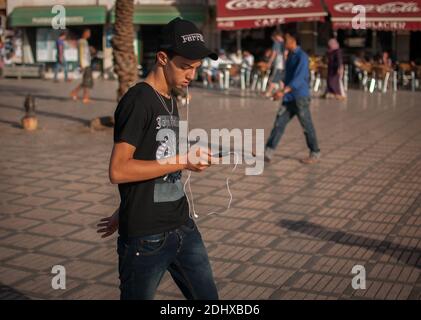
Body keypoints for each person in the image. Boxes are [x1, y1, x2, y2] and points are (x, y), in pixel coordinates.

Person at [97, 17, 219, 300]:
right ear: (163, 58)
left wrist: (121, 209)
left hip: (183, 227)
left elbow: (153, 163)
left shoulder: (170, 99)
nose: (192, 75)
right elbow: (118, 170)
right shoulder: (138, 100)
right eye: (186, 66)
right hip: (146, 238)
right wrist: (184, 161)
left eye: (196, 68)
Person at [264, 29, 321, 164]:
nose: (284, 42)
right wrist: (280, 90)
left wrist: (283, 91)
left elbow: (299, 78)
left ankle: (315, 152)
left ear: (293, 41)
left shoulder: (302, 56)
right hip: (289, 98)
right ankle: (268, 152)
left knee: (307, 126)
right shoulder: (289, 56)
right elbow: (287, 76)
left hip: (300, 97)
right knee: (279, 124)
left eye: (287, 39)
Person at [70, 29, 94, 104]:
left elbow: (85, 53)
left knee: (86, 81)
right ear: (84, 33)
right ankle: (85, 97)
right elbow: (81, 53)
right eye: (88, 32)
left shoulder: (84, 42)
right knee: (86, 81)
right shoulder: (81, 41)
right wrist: (82, 64)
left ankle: (75, 92)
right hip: (85, 64)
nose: (89, 34)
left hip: (87, 63)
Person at [265, 30, 286, 97]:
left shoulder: (276, 43)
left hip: (279, 63)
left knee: (274, 78)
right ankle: (282, 93)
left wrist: (269, 62)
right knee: (281, 79)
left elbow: (274, 54)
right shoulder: (285, 43)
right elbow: (286, 54)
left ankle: (268, 92)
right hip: (284, 63)